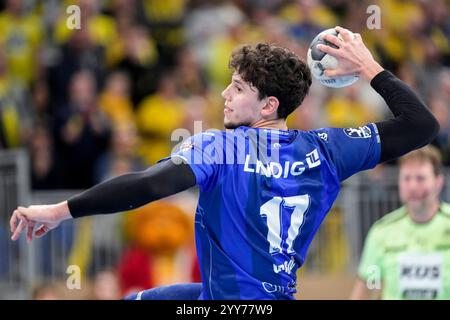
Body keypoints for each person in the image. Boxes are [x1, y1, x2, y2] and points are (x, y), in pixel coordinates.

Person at [10, 26, 439, 300]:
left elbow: (146, 186)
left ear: (268, 104)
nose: (224, 96)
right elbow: (421, 124)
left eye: (236, 88)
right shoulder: (328, 149)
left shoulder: (223, 147)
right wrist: (368, 66)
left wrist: (60, 211)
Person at [350, 145, 450, 300]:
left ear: (438, 182)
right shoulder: (381, 233)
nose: (412, 186)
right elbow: (368, 286)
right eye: (406, 178)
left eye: (420, 178)